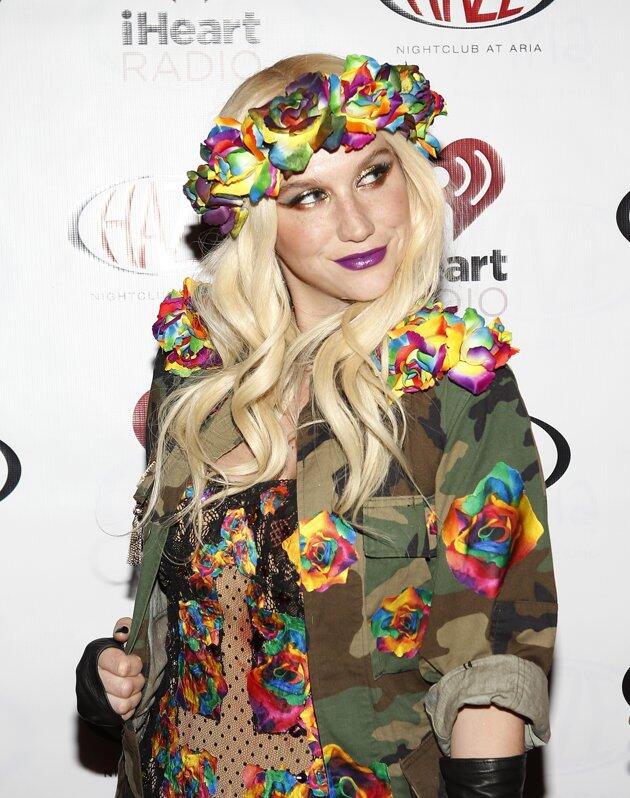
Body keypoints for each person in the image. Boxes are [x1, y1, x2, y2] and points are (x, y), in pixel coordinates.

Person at [76, 52, 557, 798]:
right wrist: (114, 672)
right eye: (308, 196)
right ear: (259, 219)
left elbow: (491, 658)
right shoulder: (195, 378)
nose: (357, 222)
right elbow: (194, 604)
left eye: (373, 174)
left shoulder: (456, 388)